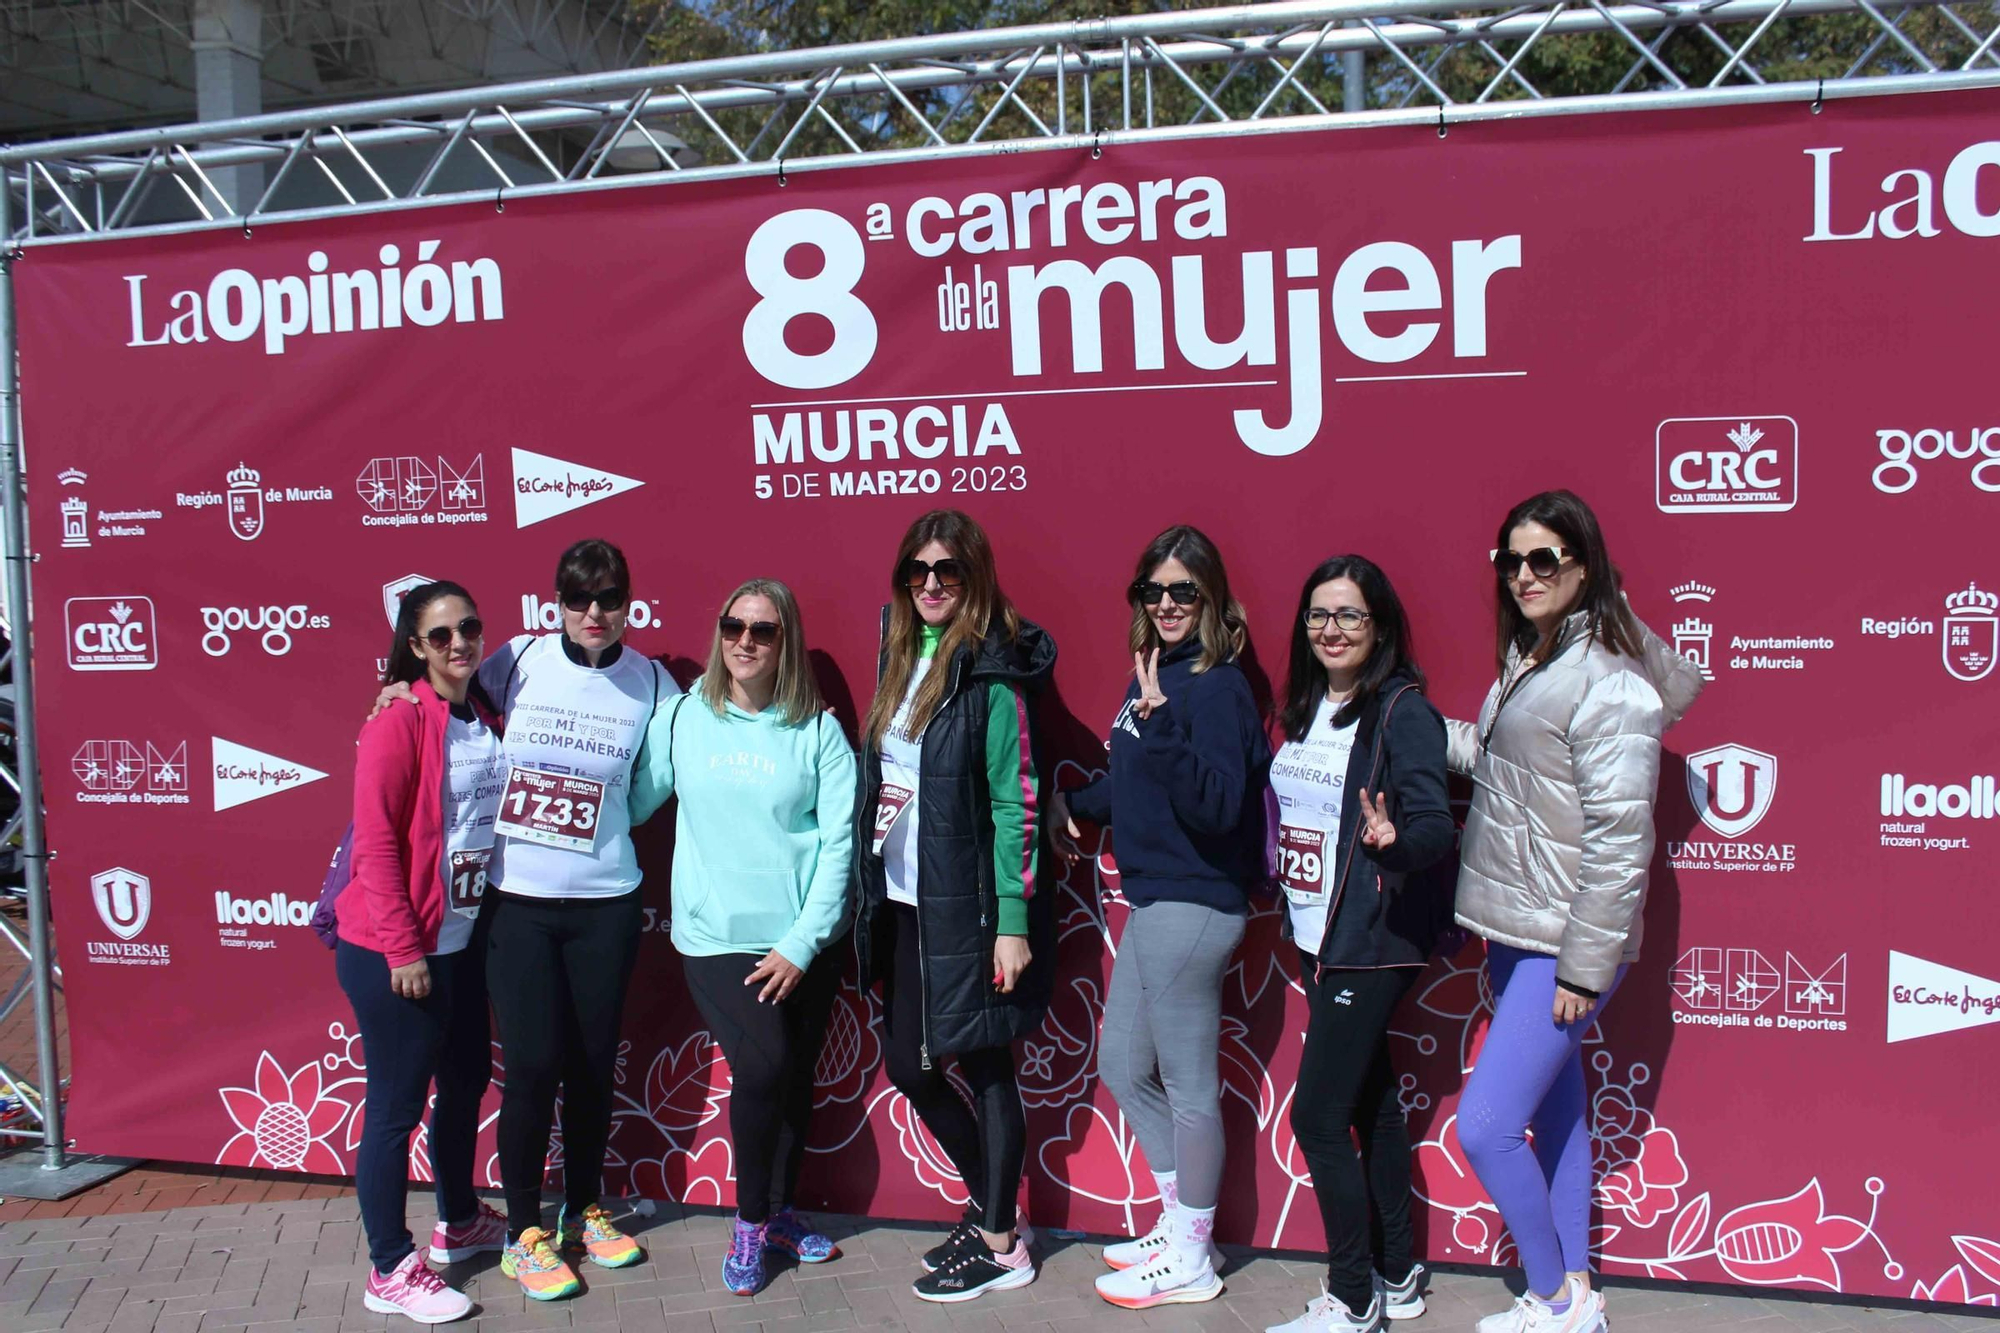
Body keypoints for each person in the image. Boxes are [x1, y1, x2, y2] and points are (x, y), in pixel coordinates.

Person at [379, 539, 678, 1300]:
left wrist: (607, 821)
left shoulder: (652, 681)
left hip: (606, 902)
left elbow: (652, 787)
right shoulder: (515, 658)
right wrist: (393, 690)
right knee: (535, 1067)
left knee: (588, 1067)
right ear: (556, 604)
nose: (594, 613)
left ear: (628, 600)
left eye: (608, 597)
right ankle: (521, 1233)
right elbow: (439, 692)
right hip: (519, 904)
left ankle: (582, 1210)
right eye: (578, 599)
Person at [1447, 491, 1702, 1333]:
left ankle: (1551, 1295)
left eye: (1543, 559)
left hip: (1563, 943)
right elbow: (1495, 761)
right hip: (1515, 930)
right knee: (1556, 1114)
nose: (1523, 574)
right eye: (1510, 559)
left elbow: (1622, 842)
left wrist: (1585, 969)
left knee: (1486, 1127)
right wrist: (1401, 724)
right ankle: (1577, 1294)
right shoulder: (1535, 657)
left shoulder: (1610, 685)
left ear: (1583, 568)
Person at [1052, 524, 1270, 1311]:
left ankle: (1193, 1253)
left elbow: (1216, 804)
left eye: (1185, 590)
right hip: (1151, 900)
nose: (1169, 603)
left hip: (1194, 901)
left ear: (1210, 597)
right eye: (1156, 591)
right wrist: (1071, 805)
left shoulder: (1216, 687)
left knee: (1188, 1088)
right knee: (1120, 1066)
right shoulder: (1155, 672)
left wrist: (1165, 720)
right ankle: (1181, 1221)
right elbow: (1135, 784)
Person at [630, 579, 858, 1297]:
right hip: (716, 937)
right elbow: (634, 798)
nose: (745, 642)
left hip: (803, 939)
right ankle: (751, 1223)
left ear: (784, 640)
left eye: (763, 630)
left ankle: (783, 1212)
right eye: (734, 626)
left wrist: (801, 942)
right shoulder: (683, 715)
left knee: (793, 1078)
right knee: (761, 1068)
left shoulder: (817, 731)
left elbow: (839, 846)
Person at [852, 509, 1056, 1304]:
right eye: (918, 570)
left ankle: (1003, 1241)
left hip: (970, 913)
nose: (931, 584)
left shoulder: (992, 677)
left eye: (948, 571)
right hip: (905, 903)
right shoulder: (898, 654)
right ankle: (993, 1207)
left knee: (985, 1060)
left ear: (976, 577)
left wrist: (1011, 921)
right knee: (911, 1064)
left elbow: (1017, 802)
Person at [1261, 557, 1455, 1333]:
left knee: (1316, 1115)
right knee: (1370, 1104)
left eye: (1347, 615)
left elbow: (1434, 825)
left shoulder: (1402, 709)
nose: (1329, 630)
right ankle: (1399, 1271)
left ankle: (1351, 1297)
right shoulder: (1310, 705)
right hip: (1320, 934)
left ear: (1379, 627)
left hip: (1370, 939)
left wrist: (1392, 839)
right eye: (1318, 615)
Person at [337, 581, 506, 1325]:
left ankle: (459, 1218)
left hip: (460, 943)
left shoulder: (485, 709)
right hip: (395, 951)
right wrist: (404, 948)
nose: (460, 643)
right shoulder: (398, 721)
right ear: (414, 644)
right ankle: (388, 1266)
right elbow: (374, 843)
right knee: (396, 1107)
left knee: (465, 1084)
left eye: (469, 627)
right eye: (441, 634)